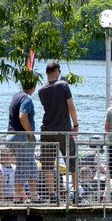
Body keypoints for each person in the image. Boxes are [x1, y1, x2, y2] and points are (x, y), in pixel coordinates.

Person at [38, 61, 79, 202]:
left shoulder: (41, 90)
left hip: (47, 130)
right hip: (63, 130)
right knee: (72, 160)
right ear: (56, 70)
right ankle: (75, 193)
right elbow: (71, 106)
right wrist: (76, 124)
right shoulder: (63, 85)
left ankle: (52, 195)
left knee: (47, 164)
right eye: (59, 71)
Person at [6, 75, 39, 203]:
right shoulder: (27, 98)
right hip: (22, 137)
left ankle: (35, 196)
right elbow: (22, 116)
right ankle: (17, 198)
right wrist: (30, 133)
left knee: (31, 165)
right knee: (23, 166)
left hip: (12, 136)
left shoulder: (16, 96)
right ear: (33, 87)